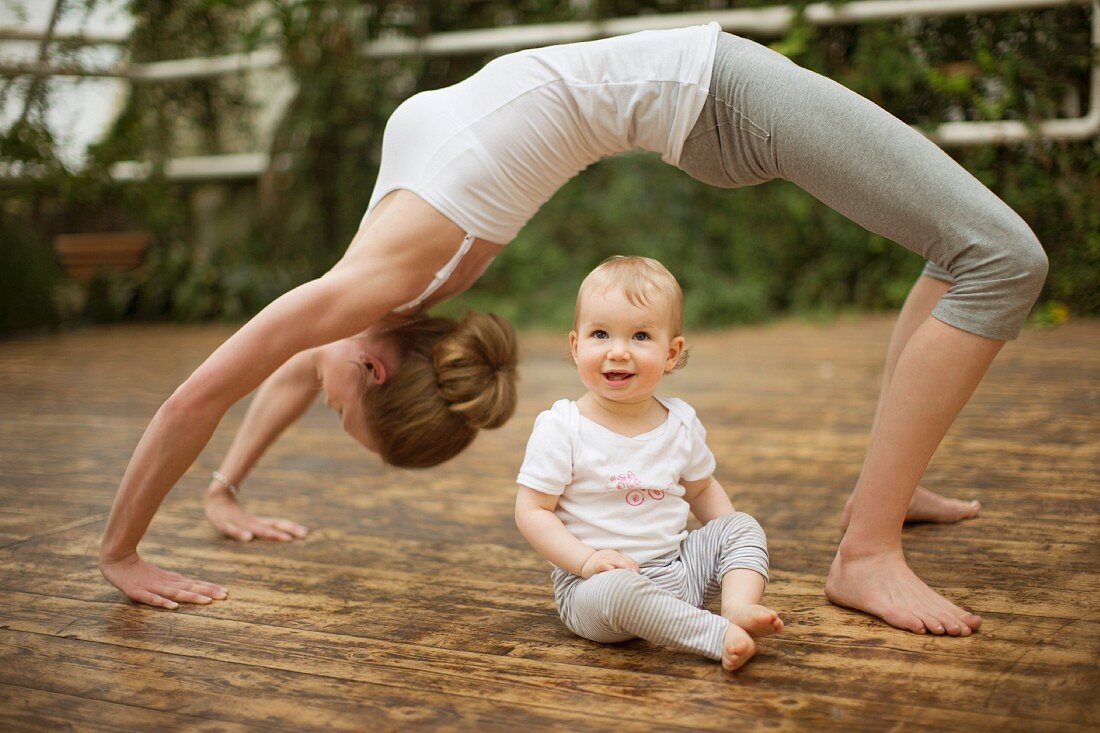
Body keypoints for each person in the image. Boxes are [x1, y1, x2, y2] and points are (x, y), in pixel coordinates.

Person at [100, 23, 1047, 636]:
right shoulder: (385, 284)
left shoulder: (384, 276)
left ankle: (876, 526)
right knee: (990, 253)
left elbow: (203, 392)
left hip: (722, 91)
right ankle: (877, 524)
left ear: (375, 376)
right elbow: (299, 368)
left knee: (988, 254)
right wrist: (226, 486)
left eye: (340, 415)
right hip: (718, 98)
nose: (321, 398)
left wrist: (120, 552)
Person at [515, 256, 782, 671]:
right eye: (600, 333)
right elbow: (532, 511)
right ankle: (713, 634)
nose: (617, 352)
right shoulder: (562, 426)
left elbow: (702, 490)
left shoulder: (680, 422)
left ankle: (737, 606)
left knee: (742, 525)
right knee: (620, 590)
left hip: (678, 569)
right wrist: (586, 560)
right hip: (594, 589)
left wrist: (724, 545)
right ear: (575, 345)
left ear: (671, 352)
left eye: (640, 335)